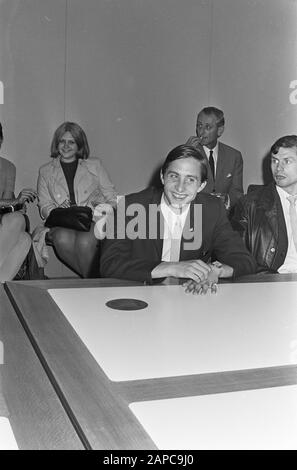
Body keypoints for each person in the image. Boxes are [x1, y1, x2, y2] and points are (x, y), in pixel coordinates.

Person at [100, 145, 256, 294]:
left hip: (187, 297)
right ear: (162, 177)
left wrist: (215, 271)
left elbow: (244, 260)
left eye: (190, 180)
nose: (180, 188)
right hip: (139, 294)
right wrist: (172, 268)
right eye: (174, 176)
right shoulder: (129, 206)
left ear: (201, 186)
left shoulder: (212, 209)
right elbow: (110, 264)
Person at [36, 121, 117, 278]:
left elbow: (112, 196)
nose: (66, 146)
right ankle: (97, 281)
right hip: (62, 222)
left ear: (79, 145)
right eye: (62, 141)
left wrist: (100, 209)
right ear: (57, 143)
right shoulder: (45, 171)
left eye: (71, 142)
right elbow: (44, 205)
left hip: (93, 218)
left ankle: (93, 283)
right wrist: (59, 211)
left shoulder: (95, 165)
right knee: (61, 239)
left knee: (85, 242)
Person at [232, 135, 297, 273]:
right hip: (272, 282)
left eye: (287, 161)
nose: (278, 168)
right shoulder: (250, 205)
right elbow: (235, 258)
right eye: (275, 161)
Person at [0, 122, 38, 281]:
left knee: (24, 236)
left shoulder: (8, 167)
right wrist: (15, 201)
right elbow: (10, 202)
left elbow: (7, 202)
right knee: (22, 237)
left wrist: (18, 203)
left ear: (1, 140)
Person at [186, 106, 243, 210]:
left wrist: (226, 200)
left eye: (207, 127)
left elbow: (237, 193)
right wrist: (186, 153)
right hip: (195, 216)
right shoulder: (189, 153)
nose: (201, 132)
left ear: (220, 131)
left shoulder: (234, 156)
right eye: (199, 126)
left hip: (223, 218)